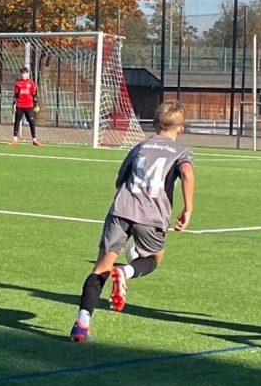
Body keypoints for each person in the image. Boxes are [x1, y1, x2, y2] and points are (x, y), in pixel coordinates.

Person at [70, 100, 194, 342]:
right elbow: (187, 173)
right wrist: (188, 209)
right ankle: (126, 272)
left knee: (101, 266)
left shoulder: (140, 146)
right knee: (155, 258)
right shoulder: (181, 152)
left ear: (155, 123)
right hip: (151, 215)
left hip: (121, 210)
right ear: (181, 128)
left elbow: (120, 180)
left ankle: (81, 324)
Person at [10, 66, 40, 146]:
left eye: (25, 73)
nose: (23, 75)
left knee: (32, 121)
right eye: (22, 74)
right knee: (17, 121)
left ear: (28, 74)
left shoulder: (31, 83)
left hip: (29, 106)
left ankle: (34, 140)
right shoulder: (18, 83)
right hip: (20, 105)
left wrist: (36, 104)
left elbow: (34, 94)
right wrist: (14, 104)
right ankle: (15, 139)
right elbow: (16, 95)